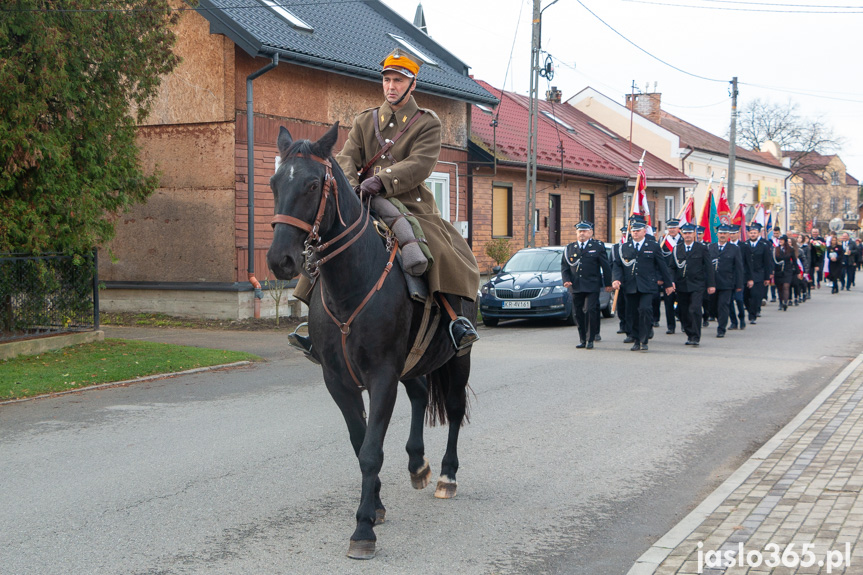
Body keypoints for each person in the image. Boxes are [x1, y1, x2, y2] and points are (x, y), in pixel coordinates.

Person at [334, 47, 479, 351]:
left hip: (411, 204)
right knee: (328, 241)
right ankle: (316, 324)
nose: (391, 86)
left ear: (413, 84)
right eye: (387, 79)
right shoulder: (365, 121)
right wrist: (351, 188)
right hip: (363, 199)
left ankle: (455, 320)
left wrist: (381, 180)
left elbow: (420, 164)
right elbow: (346, 157)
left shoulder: (427, 123)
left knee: (439, 250)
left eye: (398, 80)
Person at [612, 219, 674, 352]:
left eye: (638, 230)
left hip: (647, 285)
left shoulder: (653, 246)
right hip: (630, 285)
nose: (635, 233)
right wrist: (616, 279)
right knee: (632, 313)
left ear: (644, 232)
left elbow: (662, 266)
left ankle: (644, 339)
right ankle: (635, 339)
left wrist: (668, 284)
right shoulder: (624, 247)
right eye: (633, 231)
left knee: (645, 310)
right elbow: (617, 265)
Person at [561, 221, 612, 349]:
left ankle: (590, 339)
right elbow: (564, 267)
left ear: (590, 233)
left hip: (592, 285)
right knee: (578, 313)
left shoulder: (597, 247)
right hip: (576, 285)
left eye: (584, 231)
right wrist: (566, 280)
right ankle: (582, 339)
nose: (582, 234)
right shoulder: (569, 248)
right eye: (580, 231)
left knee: (589, 310)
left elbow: (605, 266)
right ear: (576, 233)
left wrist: (608, 283)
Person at [670, 222, 715, 346]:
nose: (688, 235)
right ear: (682, 234)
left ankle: (695, 336)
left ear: (694, 234)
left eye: (690, 233)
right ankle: (689, 333)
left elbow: (709, 267)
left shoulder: (701, 248)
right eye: (685, 233)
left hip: (697, 284)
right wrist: (671, 281)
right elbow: (672, 267)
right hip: (681, 285)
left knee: (694, 309)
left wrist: (711, 284)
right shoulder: (677, 248)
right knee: (683, 311)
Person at [709, 224, 744, 338]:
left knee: (723, 305)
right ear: (717, 234)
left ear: (728, 235)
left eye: (725, 233)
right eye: (721, 233)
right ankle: (718, 319)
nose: (723, 235)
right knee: (713, 306)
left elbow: (739, 267)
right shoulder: (710, 247)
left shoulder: (734, 249)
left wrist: (739, 284)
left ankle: (721, 328)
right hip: (712, 283)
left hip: (727, 283)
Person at [740, 223, 773, 324]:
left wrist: (767, 277)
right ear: (748, 234)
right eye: (751, 233)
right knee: (745, 296)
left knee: (755, 295)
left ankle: (753, 315)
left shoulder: (764, 246)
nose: (753, 234)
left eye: (755, 233)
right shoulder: (744, 245)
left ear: (759, 233)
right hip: (746, 274)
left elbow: (767, 262)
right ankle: (750, 309)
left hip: (759, 274)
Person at [658, 219, 681, 334]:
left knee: (683, 302)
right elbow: (657, 261)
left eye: (674, 227)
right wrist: (660, 277)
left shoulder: (683, 240)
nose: (671, 230)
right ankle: (671, 326)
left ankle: (684, 322)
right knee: (668, 302)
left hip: (682, 276)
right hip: (667, 276)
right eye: (670, 227)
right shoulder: (662, 241)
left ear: (678, 229)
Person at [727, 224, 751, 330]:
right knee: (729, 301)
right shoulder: (726, 246)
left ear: (738, 234)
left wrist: (750, 278)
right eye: (731, 234)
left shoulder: (744, 246)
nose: (732, 235)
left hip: (741, 277)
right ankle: (733, 321)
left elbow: (748, 264)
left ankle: (742, 318)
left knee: (739, 300)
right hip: (728, 278)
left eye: (734, 233)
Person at [610, 225, 630, 337]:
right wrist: (613, 280)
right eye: (623, 233)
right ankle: (623, 324)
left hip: (630, 281)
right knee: (621, 305)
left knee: (630, 306)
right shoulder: (615, 247)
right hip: (619, 281)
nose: (624, 235)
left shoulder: (632, 247)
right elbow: (612, 264)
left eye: (626, 233)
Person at [773, 235, 798, 310]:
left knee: (786, 286)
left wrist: (798, 272)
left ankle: (785, 302)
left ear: (785, 241)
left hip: (787, 270)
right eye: (779, 240)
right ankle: (781, 302)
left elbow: (794, 261)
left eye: (782, 240)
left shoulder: (790, 250)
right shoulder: (776, 249)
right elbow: (772, 261)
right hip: (778, 271)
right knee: (780, 287)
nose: (780, 241)